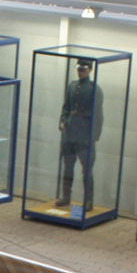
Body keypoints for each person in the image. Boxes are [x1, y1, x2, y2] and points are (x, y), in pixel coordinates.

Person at [55, 58, 104, 209]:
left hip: (84, 136)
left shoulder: (95, 89)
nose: (80, 72)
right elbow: (66, 107)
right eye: (79, 69)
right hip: (70, 133)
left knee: (86, 170)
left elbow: (98, 115)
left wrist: (93, 136)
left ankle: (88, 201)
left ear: (90, 70)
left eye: (83, 69)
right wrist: (62, 121)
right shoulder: (72, 85)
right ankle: (66, 196)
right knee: (68, 167)